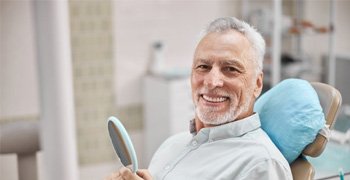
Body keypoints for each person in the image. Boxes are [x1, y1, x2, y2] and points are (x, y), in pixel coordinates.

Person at [105, 17, 293, 180]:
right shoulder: (172, 145)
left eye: (231, 69)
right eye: (203, 66)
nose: (211, 82)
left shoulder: (261, 164)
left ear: (257, 84)